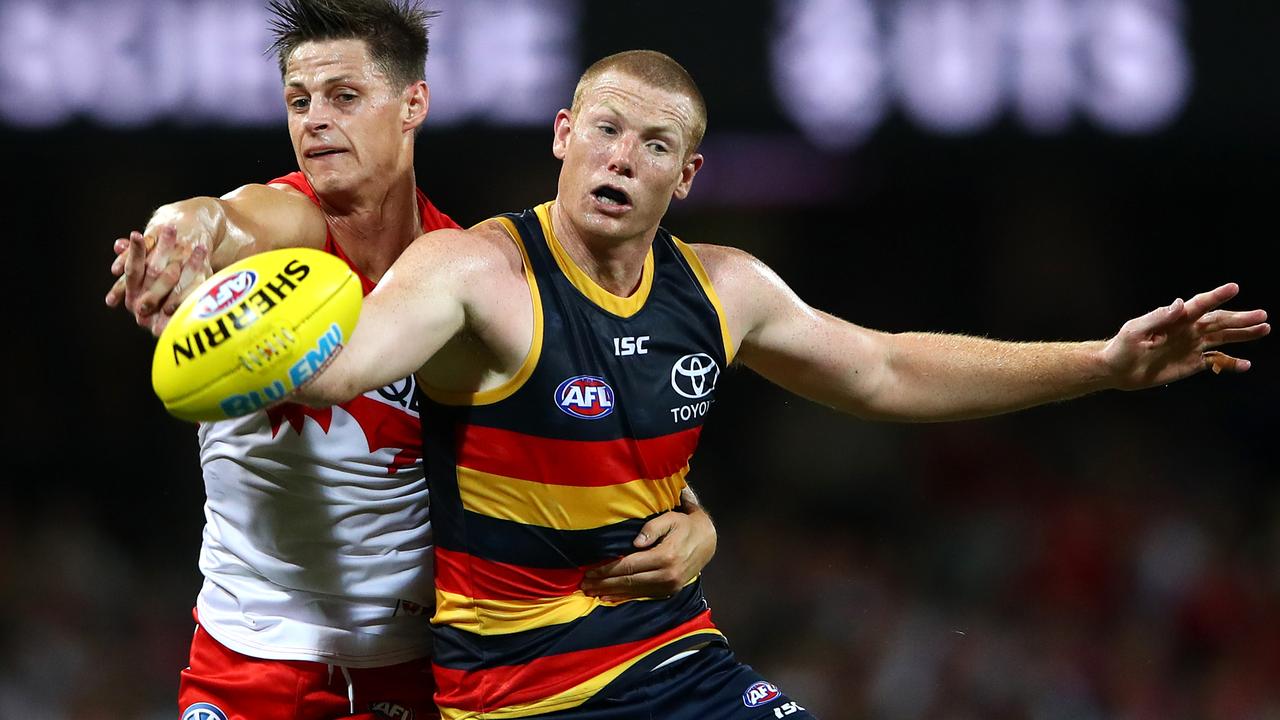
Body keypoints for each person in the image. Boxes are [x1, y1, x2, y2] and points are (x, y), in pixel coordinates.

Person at [292, 49, 1270, 720]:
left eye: (654, 146)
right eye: (603, 130)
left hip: (667, 656)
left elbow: (883, 368)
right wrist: (221, 328)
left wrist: (1099, 362)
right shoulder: (473, 271)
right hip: (514, 692)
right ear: (560, 135)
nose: (620, 159)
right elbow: (349, 361)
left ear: (686, 177)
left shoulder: (723, 289)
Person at [104, 4, 718, 720]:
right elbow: (219, 216)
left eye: (345, 96)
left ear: (413, 103)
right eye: (298, 102)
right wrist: (175, 234)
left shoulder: (474, 274)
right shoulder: (284, 233)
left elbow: (579, 441)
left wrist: (695, 518)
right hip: (251, 662)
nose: (315, 121)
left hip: (422, 672)